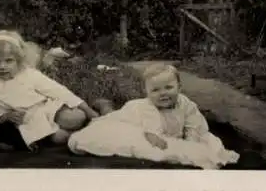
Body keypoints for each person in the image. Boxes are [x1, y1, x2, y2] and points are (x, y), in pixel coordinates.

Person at [68, 63, 240, 169]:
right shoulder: (148, 108)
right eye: (155, 90)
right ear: (147, 93)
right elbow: (152, 133)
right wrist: (156, 139)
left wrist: (191, 143)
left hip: (173, 128)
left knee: (206, 143)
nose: (163, 94)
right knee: (111, 122)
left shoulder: (186, 103)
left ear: (179, 88)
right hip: (134, 117)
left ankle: (106, 105)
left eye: (168, 88)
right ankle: (105, 106)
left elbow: (193, 124)